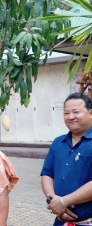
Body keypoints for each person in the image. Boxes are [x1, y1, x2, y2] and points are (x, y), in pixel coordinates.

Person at [41, 93, 92, 225]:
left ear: (90, 113)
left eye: (76, 112)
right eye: (66, 113)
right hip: (61, 220)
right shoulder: (58, 143)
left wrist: (64, 201)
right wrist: (53, 201)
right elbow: (47, 173)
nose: (71, 117)